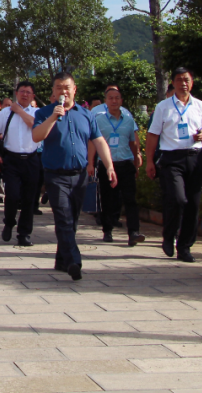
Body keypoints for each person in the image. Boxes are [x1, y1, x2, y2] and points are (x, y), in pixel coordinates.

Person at [32, 72, 117, 281]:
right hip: (55, 175)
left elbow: (98, 141)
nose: (63, 91)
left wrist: (109, 166)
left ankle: (62, 259)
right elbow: (36, 136)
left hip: (79, 176)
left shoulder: (86, 115)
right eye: (59, 87)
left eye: (67, 87)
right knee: (63, 218)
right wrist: (54, 116)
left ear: (74, 89)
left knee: (73, 221)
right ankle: (74, 261)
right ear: (53, 91)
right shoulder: (43, 113)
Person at [145, 67, 202, 263]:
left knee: (192, 204)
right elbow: (153, 135)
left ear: (192, 82)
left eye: (187, 79)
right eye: (179, 80)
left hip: (195, 157)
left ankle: (184, 247)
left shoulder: (200, 106)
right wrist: (149, 161)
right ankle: (169, 234)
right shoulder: (163, 107)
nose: (183, 83)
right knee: (178, 198)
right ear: (172, 83)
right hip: (171, 158)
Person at [0, 83, 41, 247]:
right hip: (11, 160)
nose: (25, 95)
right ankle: (9, 221)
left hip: (31, 159)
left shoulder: (37, 112)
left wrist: (19, 111)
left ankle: (24, 233)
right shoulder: (6, 113)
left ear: (33, 95)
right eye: (22, 92)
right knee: (12, 195)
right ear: (16, 93)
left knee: (29, 198)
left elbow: (36, 126)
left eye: (28, 92)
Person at [96, 86, 144, 246]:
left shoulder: (129, 120)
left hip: (125, 164)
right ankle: (107, 229)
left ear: (121, 101)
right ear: (106, 101)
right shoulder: (99, 119)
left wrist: (137, 159)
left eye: (117, 98)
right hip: (106, 164)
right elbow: (93, 142)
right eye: (111, 98)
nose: (114, 101)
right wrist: (90, 162)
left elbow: (133, 142)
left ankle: (133, 232)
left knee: (130, 199)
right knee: (108, 199)